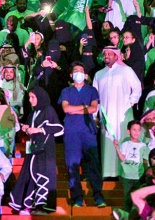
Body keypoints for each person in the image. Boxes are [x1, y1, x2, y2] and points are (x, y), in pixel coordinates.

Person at [9, 87, 63, 215]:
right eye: (29, 97)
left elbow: (59, 128)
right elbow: (30, 129)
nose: (30, 100)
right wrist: (27, 128)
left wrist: (39, 130)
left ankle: (41, 206)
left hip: (45, 150)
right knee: (30, 173)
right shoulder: (33, 114)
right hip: (33, 149)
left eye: (33, 97)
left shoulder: (48, 110)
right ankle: (29, 205)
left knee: (43, 175)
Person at [58, 62, 105, 208]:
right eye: (75, 71)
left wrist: (76, 109)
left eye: (81, 70)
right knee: (72, 165)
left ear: (85, 75)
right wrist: (84, 107)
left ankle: (98, 195)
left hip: (88, 132)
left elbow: (93, 109)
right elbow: (66, 108)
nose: (78, 73)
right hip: (72, 132)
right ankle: (77, 197)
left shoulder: (91, 90)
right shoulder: (66, 91)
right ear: (71, 75)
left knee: (93, 165)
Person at [93, 46, 142, 178]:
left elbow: (137, 87)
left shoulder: (126, 70)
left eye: (110, 54)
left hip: (123, 113)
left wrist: (131, 102)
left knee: (124, 141)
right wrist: (94, 115)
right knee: (107, 142)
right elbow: (94, 97)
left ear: (116, 56)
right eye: (105, 54)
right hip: (106, 114)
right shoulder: (99, 74)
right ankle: (108, 174)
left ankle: (124, 173)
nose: (107, 56)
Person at [113, 120, 148, 212]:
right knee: (127, 197)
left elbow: (145, 160)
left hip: (138, 176)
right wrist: (116, 147)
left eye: (138, 130)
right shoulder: (125, 144)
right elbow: (122, 158)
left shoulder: (143, 145)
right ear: (128, 131)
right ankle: (127, 215)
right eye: (134, 130)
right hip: (127, 176)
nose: (136, 132)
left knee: (139, 197)